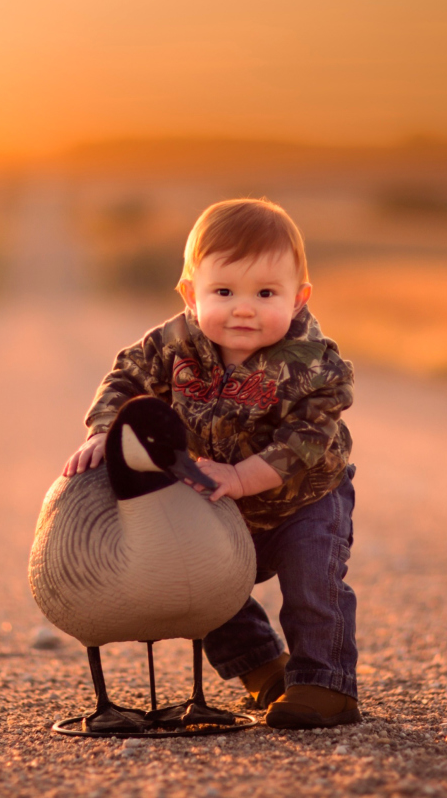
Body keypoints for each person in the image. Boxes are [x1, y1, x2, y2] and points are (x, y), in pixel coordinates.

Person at [62, 197, 360, 729]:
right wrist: (105, 428)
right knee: (201, 584)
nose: (243, 308)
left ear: (299, 299)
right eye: (223, 292)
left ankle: (325, 683)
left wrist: (246, 477)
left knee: (312, 583)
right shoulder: (174, 343)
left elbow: (310, 436)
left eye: (266, 293)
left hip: (303, 500)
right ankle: (264, 668)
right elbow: (126, 380)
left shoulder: (312, 361)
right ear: (190, 294)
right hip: (218, 495)